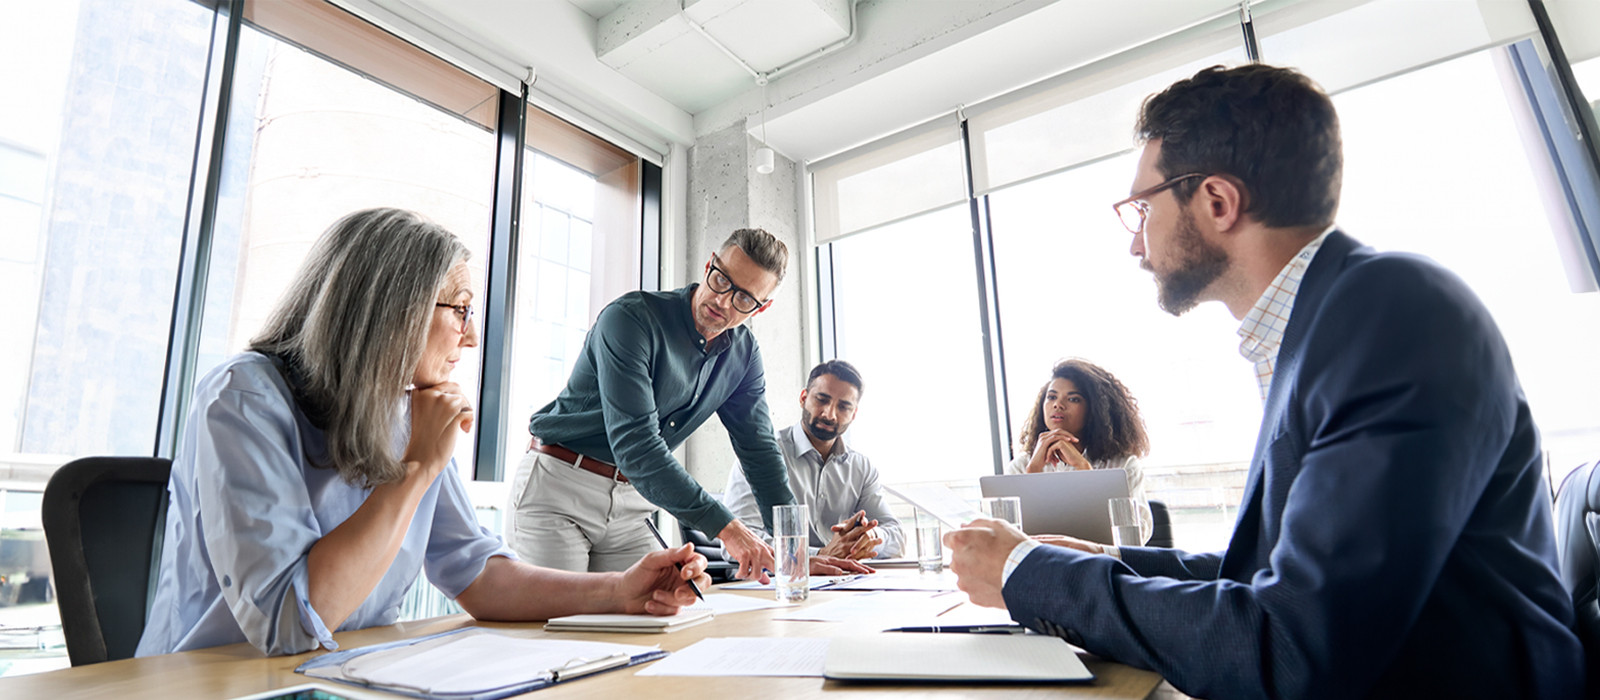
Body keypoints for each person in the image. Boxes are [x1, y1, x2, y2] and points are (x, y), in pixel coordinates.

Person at [944, 64, 1584, 699]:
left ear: (1217, 201)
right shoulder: (1325, 325)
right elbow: (1269, 576)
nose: (1135, 245)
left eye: (1143, 208)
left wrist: (1026, 572)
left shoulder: (1391, 313)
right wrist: (1106, 560)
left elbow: (1295, 647)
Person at [137, 208, 708, 657]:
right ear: (393, 311)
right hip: (217, 680)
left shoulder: (407, 412)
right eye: (460, 309)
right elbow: (294, 621)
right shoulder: (244, 398)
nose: (472, 337)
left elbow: (478, 575)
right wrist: (417, 468)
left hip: (350, 674)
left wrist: (618, 592)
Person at [509, 229, 796, 580]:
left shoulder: (744, 354)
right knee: (559, 626)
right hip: (560, 490)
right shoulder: (631, 319)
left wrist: (793, 549)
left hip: (631, 505)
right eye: (721, 280)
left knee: (663, 615)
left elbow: (760, 450)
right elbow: (637, 446)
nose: (722, 301)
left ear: (761, 307)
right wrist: (727, 528)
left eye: (744, 299)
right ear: (709, 266)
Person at [724, 360, 903, 574]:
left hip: (842, 582)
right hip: (778, 584)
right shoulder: (760, 454)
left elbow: (897, 537)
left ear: (854, 414)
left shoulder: (861, 467)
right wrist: (818, 557)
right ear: (803, 398)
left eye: (843, 406)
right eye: (822, 399)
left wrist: (871, 538)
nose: (830, 414)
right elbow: (740, 539)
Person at [1007, 359, 1152, 543]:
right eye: (1052, 397)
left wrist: (1084, 470)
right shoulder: (1021, 466)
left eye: (1073, 399)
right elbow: (1007, 541)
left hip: (1100, 566)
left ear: (1094, 410)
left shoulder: (1122, 465)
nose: (1058, 405)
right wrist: (1032, 476)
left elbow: (1136, 537)